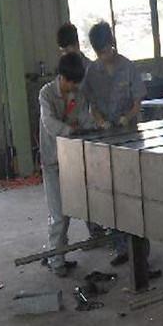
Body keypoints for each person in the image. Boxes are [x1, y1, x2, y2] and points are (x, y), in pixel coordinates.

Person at [82, 21, 146, 265]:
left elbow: (138, 101)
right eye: (100, 52)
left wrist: (126, 117)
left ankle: (141, 252)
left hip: (130, 139)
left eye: (107, 50)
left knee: (134, 194)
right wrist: (100, 122)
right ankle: (121, 247)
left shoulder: (128, 68)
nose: (105, 55)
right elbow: (91, 105)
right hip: (106, 140)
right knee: (112, 195)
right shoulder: (92, 72)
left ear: (113, 44)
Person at [39, 52, 94, 276]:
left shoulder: (77, 95)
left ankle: (58, 253)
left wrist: (98, 126)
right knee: (58, 215)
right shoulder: (46, 94)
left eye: (76, 83)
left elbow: (84, 118)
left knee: (69, 211)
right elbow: (49, 123)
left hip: (72, 160)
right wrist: (70, 130)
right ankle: (56, 261)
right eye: (70, 82)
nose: (73, 87)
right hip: (52, 160)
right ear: (61, 77)